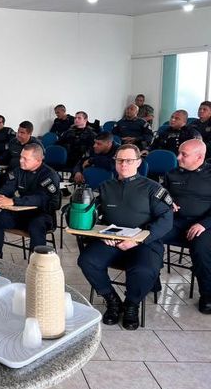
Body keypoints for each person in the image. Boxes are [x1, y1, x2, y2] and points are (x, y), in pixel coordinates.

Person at [77, 144, 173, 330]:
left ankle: (131, 304)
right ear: (115, 162)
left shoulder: (153, 188)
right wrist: (100, 234)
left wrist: (139, 239)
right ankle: (112, 300)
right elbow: (95, 216)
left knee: (143, 270)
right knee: (87, 260)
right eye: (120, 160)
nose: (124, 164)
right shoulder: (105, 187)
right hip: (111, 240)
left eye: (129, 160)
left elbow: (166, 219)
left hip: (144, 241)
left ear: (138, 162)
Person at [162, 139, 211, 314]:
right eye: (179, 152)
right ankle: (150, 280)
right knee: (150, 236)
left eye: (184, 154)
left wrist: (203, 224)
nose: (178, 157)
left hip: (205, 224)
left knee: (201, 248)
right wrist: (167, 204)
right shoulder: (172, 173)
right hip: (176, 221)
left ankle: (207, 294)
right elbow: (162, 195)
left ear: (199, 157)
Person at [0, 144, 61, 259]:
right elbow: (8, 187)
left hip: (42, 214)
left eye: (25, 159)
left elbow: (40, 199)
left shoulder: (49, 175)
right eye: (21, 157)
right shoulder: (18, 171)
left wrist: (13, 201)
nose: (21, 160)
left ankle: (36, 262)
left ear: (38, 160)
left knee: (36, 226)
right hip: (22, 212)